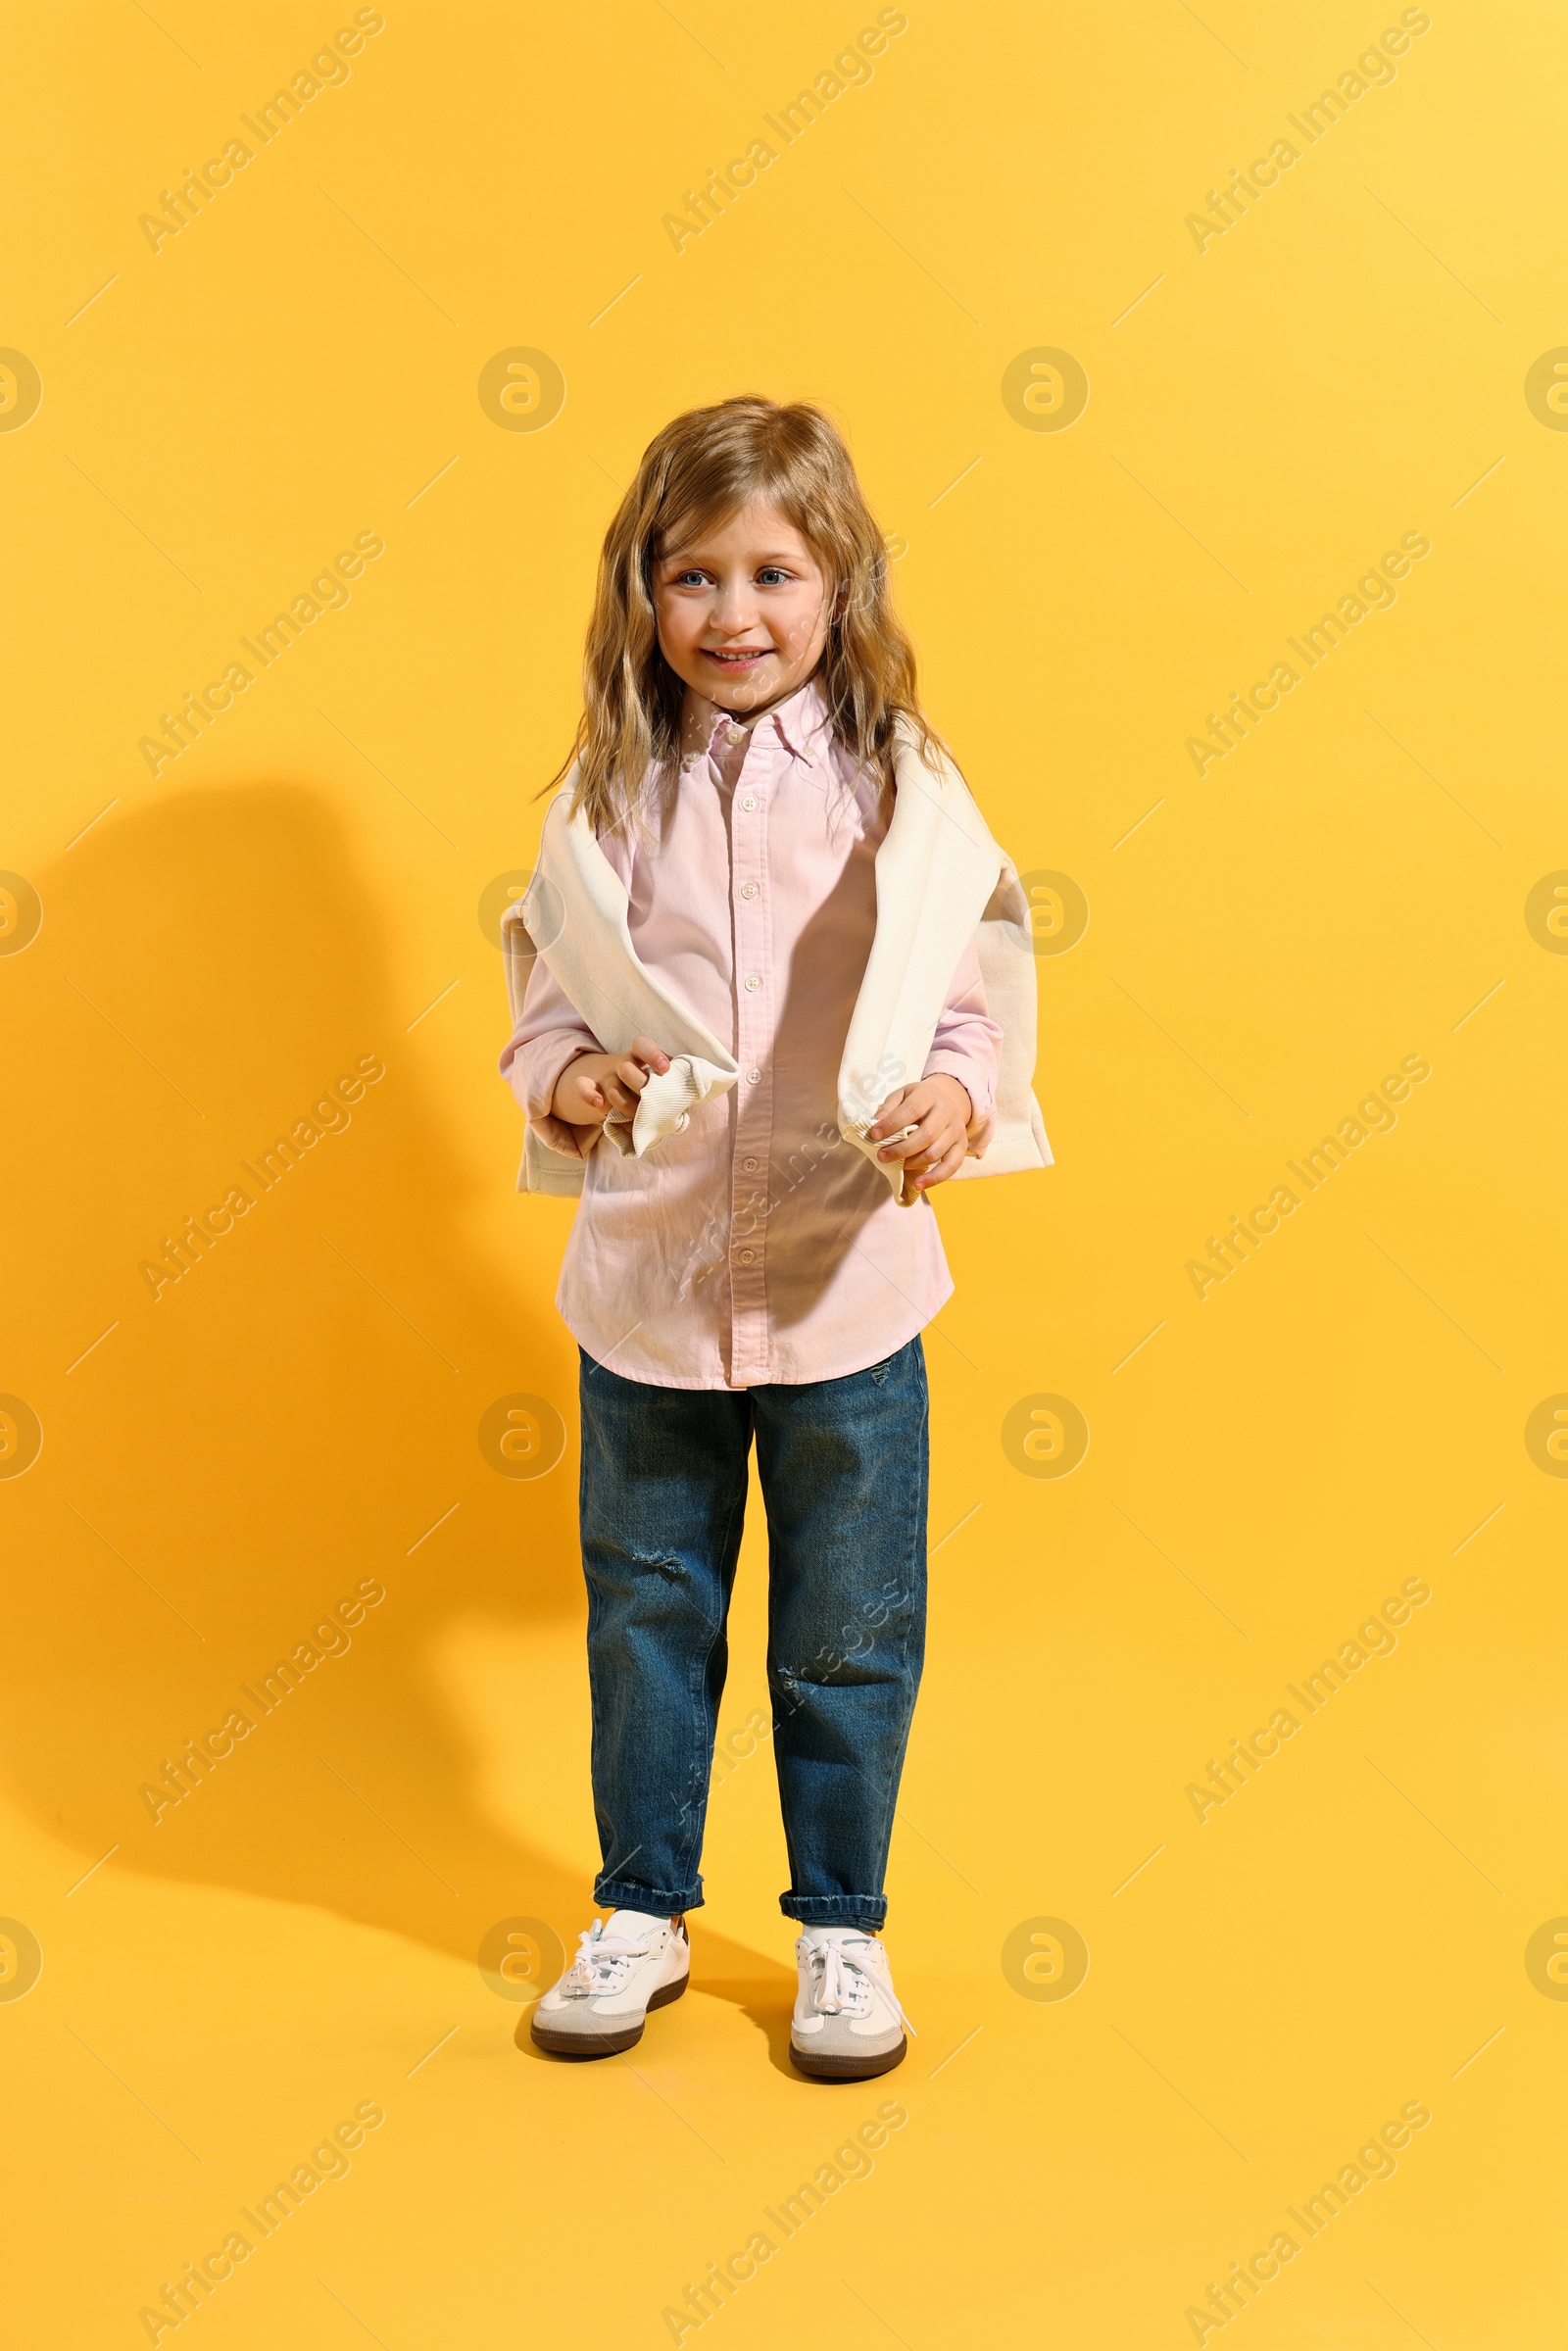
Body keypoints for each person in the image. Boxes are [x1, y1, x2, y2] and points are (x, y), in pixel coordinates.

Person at [499, 395, 1050, 2079]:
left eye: (773, 574)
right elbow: (542, 995)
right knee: (647, 1607)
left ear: (839, 584)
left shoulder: (903, 789)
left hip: (848, 1291)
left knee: (848, 1629)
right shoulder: (606, 799)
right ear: (641, 594)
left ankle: (838, 1932)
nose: (733, 616)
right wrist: (579, 1077)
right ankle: (644, 1906)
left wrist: (958, 1100)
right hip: (653, 1296)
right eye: (692, 577)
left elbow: (969, 990)